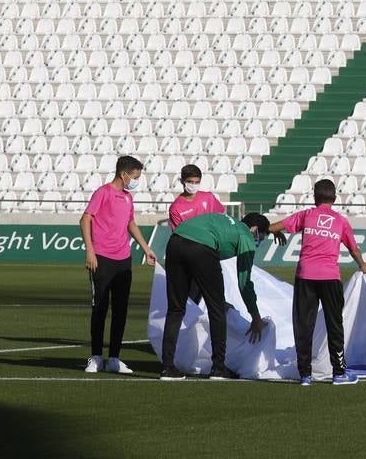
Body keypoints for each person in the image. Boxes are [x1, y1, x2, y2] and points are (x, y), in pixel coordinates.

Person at [269, 179, 366, 386]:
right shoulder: (340, 221)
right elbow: (354, 250)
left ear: (315, 197)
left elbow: (272, 227)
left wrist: (276, 231)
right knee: (335, 325)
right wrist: (363, 265)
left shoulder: (306, 215)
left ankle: (305, 375)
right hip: (330, 277)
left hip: (305, 276)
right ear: (334, 198)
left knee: (304, 325)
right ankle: (339, 373)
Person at [159, 211, 271, 381]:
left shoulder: (227, 224)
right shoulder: (246, 235)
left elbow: (200, 274)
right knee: (217, 311)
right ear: (254, 229)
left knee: (175, 309)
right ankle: (218, 368)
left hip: (175, 241)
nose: (258, 243)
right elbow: (244, 283)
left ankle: (167, 368)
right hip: (202, 247)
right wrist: (255, 317)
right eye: (260, 238)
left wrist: (216, 297)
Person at [81, 155, 158, 375]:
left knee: (121, 310)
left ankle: (114, 358)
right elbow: (85, 219)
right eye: (134, 177)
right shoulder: (103, 192)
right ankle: (96, 357)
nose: (135, 181)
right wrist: (90, 250)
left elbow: (130, 223)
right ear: (123, 174)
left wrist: (145, 248)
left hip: (124, 260)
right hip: (102, 258)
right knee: (100, 308)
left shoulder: (127, 197)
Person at [167, 164, 227, 306]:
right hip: (190, 258)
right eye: (190, 182)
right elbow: (179, 236)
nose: (194, 185)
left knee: (217, 301)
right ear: (182, 181)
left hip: (211, 255)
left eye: (197, 182)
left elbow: (221, 217)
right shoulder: (176, 207)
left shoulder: (209, 198)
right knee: (190, 301)